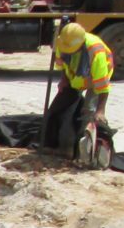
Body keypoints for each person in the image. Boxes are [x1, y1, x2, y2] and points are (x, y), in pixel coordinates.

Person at [43, 22, 114, 156]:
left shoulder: (95, 52)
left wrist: (100, 110)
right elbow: (63, 65)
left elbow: (102, 85)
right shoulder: (62, 44)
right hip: (75, 76)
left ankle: (83, 152)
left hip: (95, 77)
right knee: (65, 107)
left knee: (88, 111)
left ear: (81, 44)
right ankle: (66, 148)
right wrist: (64, 79)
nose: (68, 51)